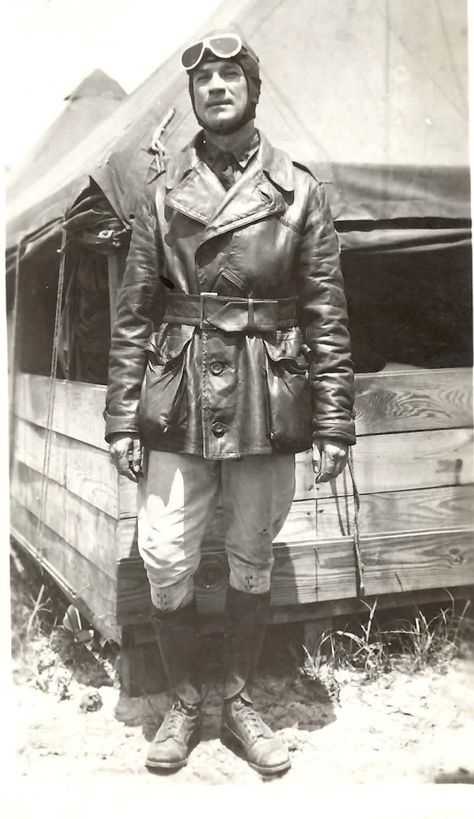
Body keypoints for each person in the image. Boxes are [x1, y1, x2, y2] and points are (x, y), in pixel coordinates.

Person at [106, 30, 355, 776]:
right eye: (203, 80)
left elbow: (328, 313)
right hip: (178, 388)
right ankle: (185, 698)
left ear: (252, 90)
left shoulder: (300, 192)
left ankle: (239, 699)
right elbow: (132, 314)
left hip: (268, 391)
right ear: (193, 99)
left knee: (251, 554)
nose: (216, 88)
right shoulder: (159, 194)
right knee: (163, 552)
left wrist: (336, 419)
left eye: (229, 77)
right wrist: (123, 415)